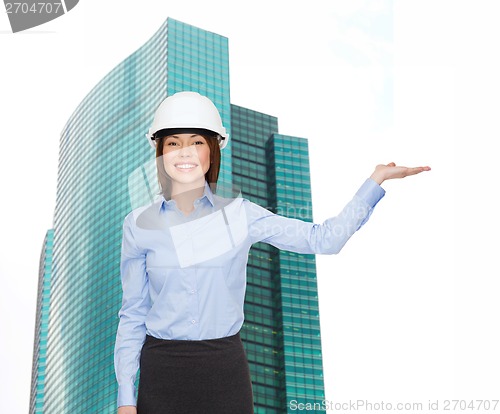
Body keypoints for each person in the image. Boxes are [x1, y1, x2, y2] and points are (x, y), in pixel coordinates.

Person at [114, 91, 431, 414]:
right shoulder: (139, 224)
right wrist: (126, 397)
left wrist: (375, 181)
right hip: (162, 372)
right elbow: (134, 312)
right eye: (173, 143)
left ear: (212, 151)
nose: (185, 153)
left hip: (225, 370)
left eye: (196, 142)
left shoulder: (241, 215)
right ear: (160, 153)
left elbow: (323, 239)